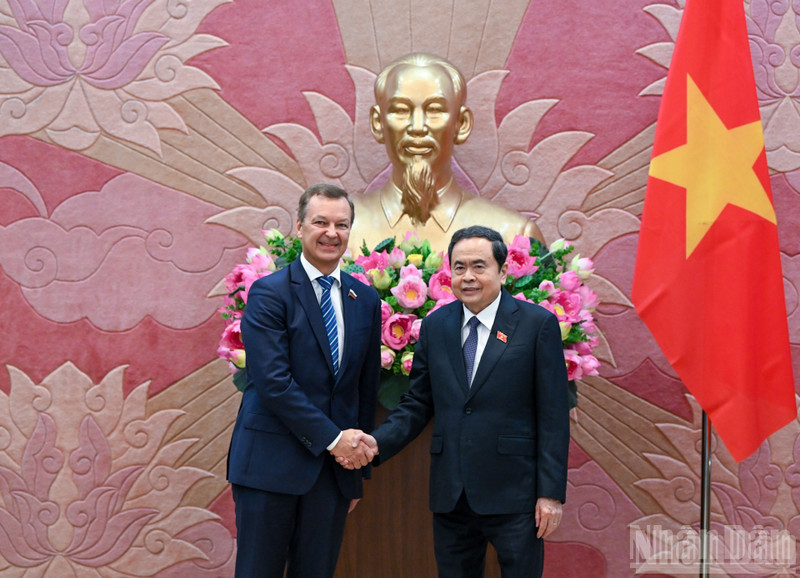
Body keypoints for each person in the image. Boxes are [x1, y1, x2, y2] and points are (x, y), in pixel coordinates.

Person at [342, 225, 570, 578]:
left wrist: (550, 494)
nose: (468, 277)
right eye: (459, 267)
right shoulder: (436, 326)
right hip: (452, 494)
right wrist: (376, 442)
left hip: (516, 494)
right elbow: (418, 402)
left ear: (503, 270)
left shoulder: (536, 325)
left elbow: (553, 415)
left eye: (479, 266)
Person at [227, 183, 381, 578]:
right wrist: (334, 440)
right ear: (299, 227)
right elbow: (273, 382)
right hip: (269, 467)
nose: (332, 233)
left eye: (342, 224)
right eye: (321, 222)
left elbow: (364, 388)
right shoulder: (269, 293)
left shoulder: (365, 300)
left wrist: (354, 471)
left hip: (331, 474)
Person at [349, 53, 544, 252]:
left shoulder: (514, 236)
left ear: (462, 124)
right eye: (401, 110)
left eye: (434, 110)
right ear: (377, 123)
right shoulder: (341, 233)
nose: (417, 127)